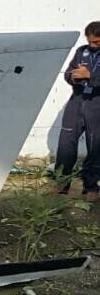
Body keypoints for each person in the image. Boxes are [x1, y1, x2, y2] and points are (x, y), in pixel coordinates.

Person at [55, 22, 100, 198]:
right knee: (66, 142)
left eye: (97, 42)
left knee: (95, 145)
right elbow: (68, 72)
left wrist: (90, 76)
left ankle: (90, 186)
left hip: (97, 103)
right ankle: (61, 183)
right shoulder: (82, 51)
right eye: (90, 41)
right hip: (77, 100)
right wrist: (73, 77)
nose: (92, 45)